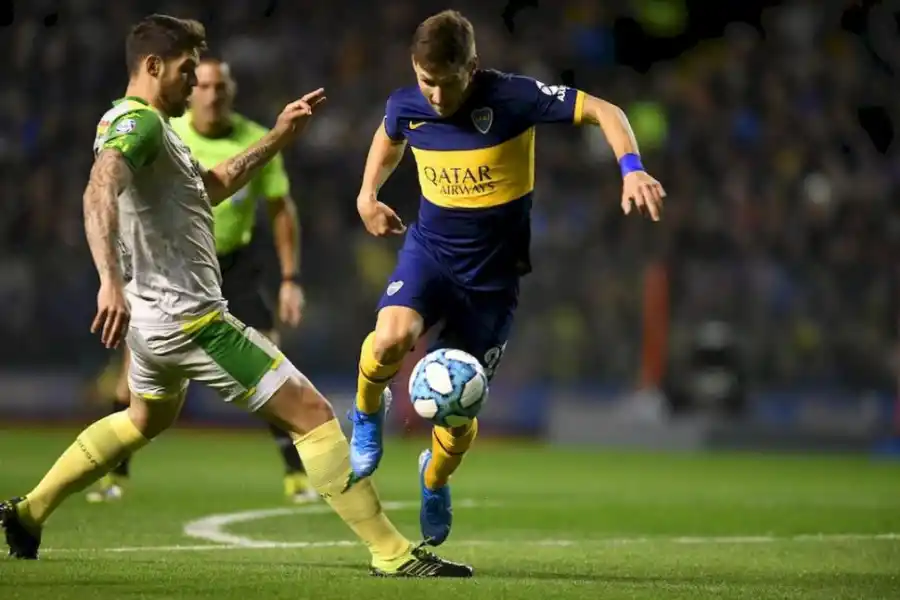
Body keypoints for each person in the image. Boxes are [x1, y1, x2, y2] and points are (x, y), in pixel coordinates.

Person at [1, 14, 472, 578]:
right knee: (313, 414)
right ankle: (392, 553)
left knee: (141, 420)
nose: (194, 81)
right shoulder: (141, 127)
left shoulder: (142, 125)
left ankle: (28, 512)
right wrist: (106, 277)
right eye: (186, 69)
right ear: (152, 67)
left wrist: (276, 137)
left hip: (151, 324)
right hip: (194, 321)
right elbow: (100, 185)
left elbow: (210, 187)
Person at [348, 9, 666, 547]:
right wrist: (367, 196)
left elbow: (605, 110)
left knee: (456, 418)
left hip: (492, 280)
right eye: (427, 82)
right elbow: (390, 136)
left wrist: (631, 167)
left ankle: (432, 479)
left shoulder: (514, 98)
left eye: (447, 84)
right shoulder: (407, 104)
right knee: (391, 338)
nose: (437, 97)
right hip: (431, 253)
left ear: (471, 67)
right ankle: (365, 411)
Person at [86, 56, 316, 505]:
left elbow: (280, 209)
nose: (210, 94)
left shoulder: (251, 136)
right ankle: (115, 476)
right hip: (170, 271)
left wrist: (291, 277)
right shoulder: (168, 134)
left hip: (233, 263)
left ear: (230, 92)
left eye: (219, 87)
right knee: (132, 379)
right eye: (202, 85)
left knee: (270, 355)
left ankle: (296, 474)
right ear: (191, 92)